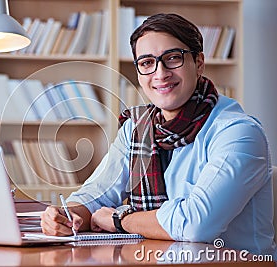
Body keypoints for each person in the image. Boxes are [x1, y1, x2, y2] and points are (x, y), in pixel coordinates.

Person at [40, 13, 275, 255]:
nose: (160, 73)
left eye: (173, 58)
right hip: (157, 258)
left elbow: (195, 225)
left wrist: (122, 219)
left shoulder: (239, 132)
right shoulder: (136, 129)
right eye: (146, 63)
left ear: (199, 63)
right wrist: (68, 216)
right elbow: (97, 194)